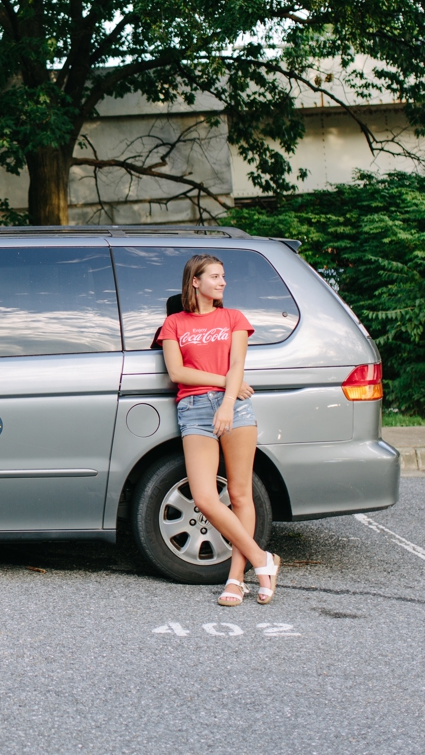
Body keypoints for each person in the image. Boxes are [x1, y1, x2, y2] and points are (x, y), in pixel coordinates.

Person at [155, 254, 281, 606]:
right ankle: (263, 560)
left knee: (240, 494)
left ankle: (236, 579)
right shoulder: (174, 324)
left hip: (235, 409)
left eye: (223, 276)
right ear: (195, 281)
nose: (222, 282)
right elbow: (178, 374)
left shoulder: (233, 318)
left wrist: (227, 402)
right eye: (214, 276)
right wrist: (225, 383)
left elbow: (239, 364)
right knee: (206, 497)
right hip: (194, 410)